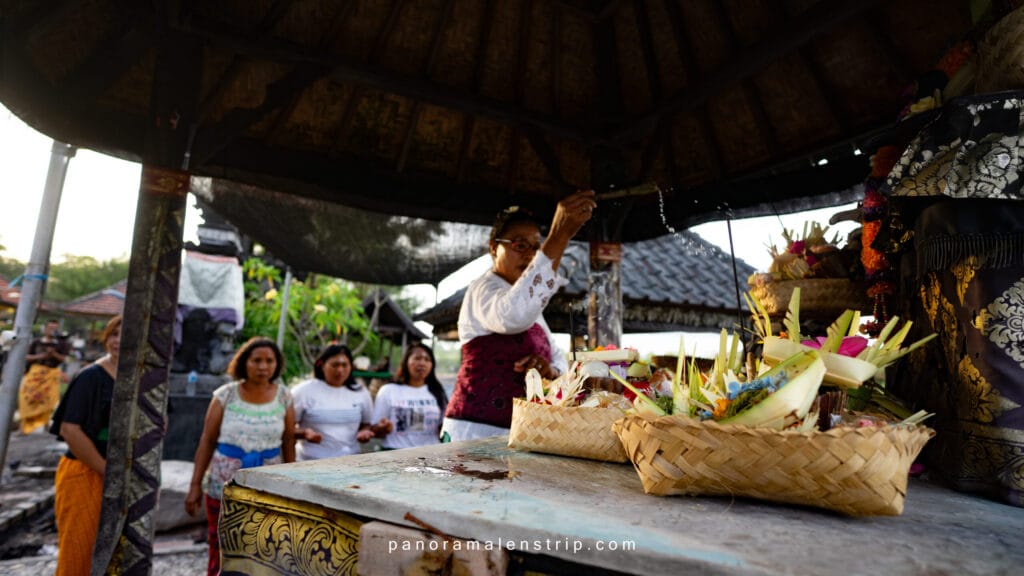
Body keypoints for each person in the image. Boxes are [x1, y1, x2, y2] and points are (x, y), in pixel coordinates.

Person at [442, 190, 596, 442]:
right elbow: (513, 316)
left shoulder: (528, 301)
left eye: (536, 247)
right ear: (494, 248)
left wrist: (548, 368)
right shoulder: (484, 289)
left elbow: (556, 355)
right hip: (475, 430)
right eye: (519, 245)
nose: (529, 254)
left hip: (518, 430)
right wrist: (558, 235)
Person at [185, 337, 295, 576]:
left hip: (268, 486)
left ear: (277, 364)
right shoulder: (226, 395)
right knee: (221, 544)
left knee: (263, 546)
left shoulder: (284, 397)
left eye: (269, 361)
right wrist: (194, 485)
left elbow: (288, 441)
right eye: (257, 360)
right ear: (245, 362)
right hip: (223, 485)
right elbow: (207, 440)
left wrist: (292, 485)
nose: (263, 366)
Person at [52, 315, 121, 576]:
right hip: (85, 474)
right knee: (80, 552)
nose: (118, 341)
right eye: (114, 334)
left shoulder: (144, 380)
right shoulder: (91, 377)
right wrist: (108, 471)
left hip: (125, 478)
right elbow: (69, 429)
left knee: (118, 556)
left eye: (127, 335)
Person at [291, 344, 385, 460]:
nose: (340, 370)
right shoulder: (303, 391)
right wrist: (304, 433)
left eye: (344, 365)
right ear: (321, 365)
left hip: (349, 461)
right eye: (335, 365)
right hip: (310, 461)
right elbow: (288, 428)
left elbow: (366, 425)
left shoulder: (361, 392)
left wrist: (365, 432)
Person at [372, 343, 448, 449]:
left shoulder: (438, 392)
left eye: (427, 359)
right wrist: (383, 428)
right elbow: (375, 430)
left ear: (432, 365)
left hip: (430, 455)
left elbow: (445, 430)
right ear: (406, 362)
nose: (422, 363)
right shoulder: (388, 391)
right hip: (395, 455)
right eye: (417, 358)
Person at [19, 319, 69, 433]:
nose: (52, 331)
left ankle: (46, 425)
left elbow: (64, 358)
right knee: (27, 398)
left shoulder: (61, 344)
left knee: (48, 400)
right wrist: (41, 356)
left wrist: (53, 354)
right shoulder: (36, 342)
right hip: (35, 373)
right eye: (50, 328)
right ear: (45, 329)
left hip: (51, 373)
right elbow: (27, 356)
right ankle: (24, 426)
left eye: (55, 329)